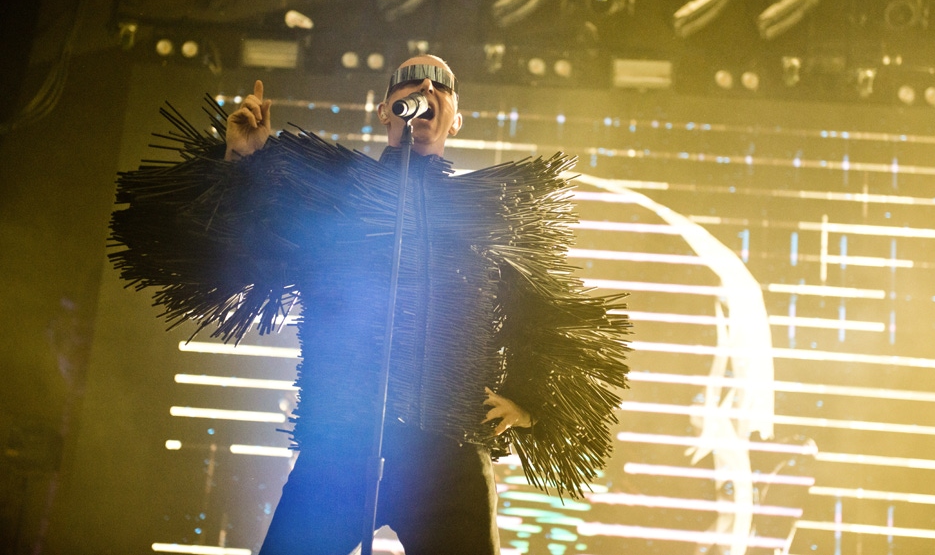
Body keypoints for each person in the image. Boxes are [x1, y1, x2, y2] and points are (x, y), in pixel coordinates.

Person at [109, 54, 629, 554]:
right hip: (340, 446)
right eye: (410, 82)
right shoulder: (332, 196)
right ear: (385, 112)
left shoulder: (490, 213)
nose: (425, 91)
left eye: (439, 85)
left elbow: (551, 314)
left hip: (447, 456)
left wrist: (531, 400)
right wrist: (241, 163)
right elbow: (239, 252)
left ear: (457, 118)